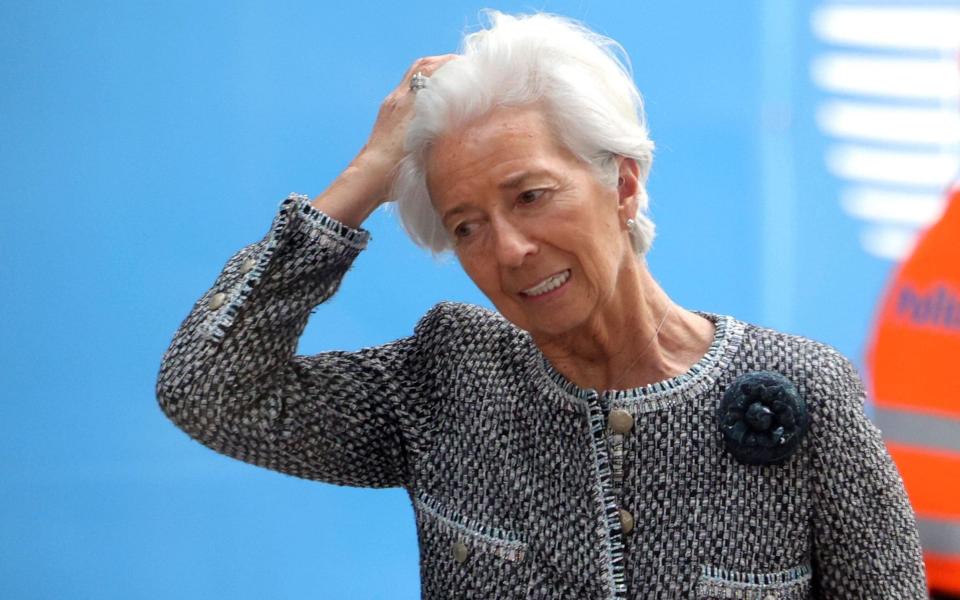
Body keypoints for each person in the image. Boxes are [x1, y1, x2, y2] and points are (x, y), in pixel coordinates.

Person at [156, 10, 928, 599]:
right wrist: (368, 174)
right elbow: (209, 390)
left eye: (531, 196)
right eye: (467, 226)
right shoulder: (446, 379)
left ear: (623, 185)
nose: (509, 249)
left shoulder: (802, 390)